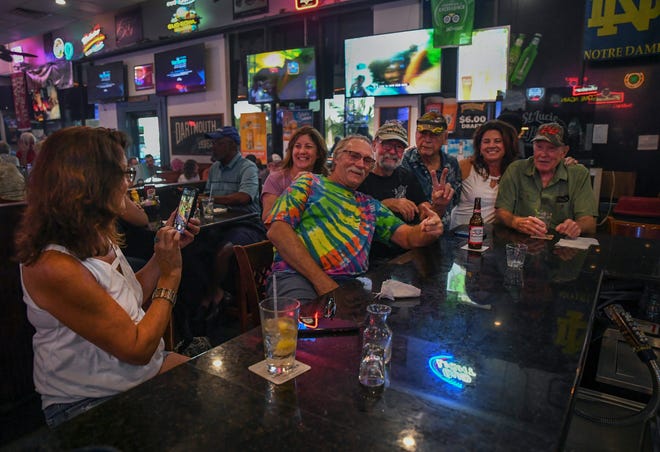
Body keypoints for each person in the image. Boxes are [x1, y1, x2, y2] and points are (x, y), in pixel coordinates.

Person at [14, 126, 200, 427]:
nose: (128, 184)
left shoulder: (96, 236)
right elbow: (137, 349)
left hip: (138, 376)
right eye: (123, 174)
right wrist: (171, 275)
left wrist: (162, 256)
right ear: (89, 183)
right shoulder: (52, 264)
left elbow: (130, 294)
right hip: (88, 403)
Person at [264, 135, 444, 302]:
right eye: (353, 156)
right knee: (305, 331)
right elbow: (277, 230)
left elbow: (407, 237)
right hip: (298, 277)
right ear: (336, 158)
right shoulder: (309, 184)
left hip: (351, 286)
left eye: (367, 160)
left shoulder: (369, 205)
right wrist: (326, 285)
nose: (360, 164)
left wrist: (428, 229)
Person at [495, 122, 597, 238]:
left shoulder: (578, 174)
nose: (543, 154)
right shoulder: (516, 169)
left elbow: (589, 222)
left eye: (551, 148)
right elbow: (500, 212)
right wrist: (515, 221)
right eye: (539, 147)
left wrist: (576, 226)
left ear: (564, 151)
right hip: (521, 243)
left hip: (560, 245)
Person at [450, 120, 519, 228]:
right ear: (479, 146)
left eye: (497, 141)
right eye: (486, 141)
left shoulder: (514, 171)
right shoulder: (466, 166)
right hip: (461, 235)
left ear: (507, 144)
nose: (491, 145)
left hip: (492, 237)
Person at [402, 111, 461, 230]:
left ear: (445, 137)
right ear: (415, 134)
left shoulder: (451, 163)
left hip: (443, 235)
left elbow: (455, 200)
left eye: (434, 135)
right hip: (413, 235)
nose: (427, 140)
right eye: (423, 133)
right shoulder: (404, 161)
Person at [261, 126, 328, 222]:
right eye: (297, 146)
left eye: (308, 147)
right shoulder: (275, 179)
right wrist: (297, 188)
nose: (302, 151)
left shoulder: (326, 180)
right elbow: (267, 218)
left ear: (318, 153)